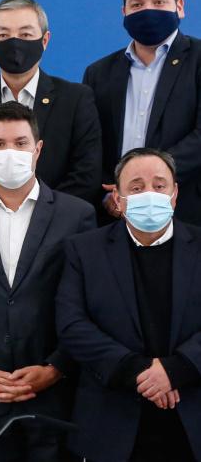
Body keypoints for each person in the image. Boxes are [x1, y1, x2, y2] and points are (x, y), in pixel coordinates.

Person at [0, 102, 95, 461]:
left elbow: (88, 303)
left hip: (56, 398)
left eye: (21, 143)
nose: (10, 152)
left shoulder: (77, 215)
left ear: (38, 149)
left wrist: (56, 368)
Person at [57, 148, 201, 461]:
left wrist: (178, 369)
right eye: (136, 188)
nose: (150, 193)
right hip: (111, 420)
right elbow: (72, 325)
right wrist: (140, 371)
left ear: (175, 194)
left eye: (160, 186)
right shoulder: (84, 250)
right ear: (118, 200)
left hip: (191, 416)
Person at [0, 0, 101, 206]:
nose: (14, 43)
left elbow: (86, 175)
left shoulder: (76, 99)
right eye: (3, 34)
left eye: (25, 34)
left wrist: (44, 216)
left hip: (59, 228)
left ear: (44, 40)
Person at [86, 0, 201, 226]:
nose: (148, 11)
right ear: (124, 11)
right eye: (137, 5)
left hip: (188, 213)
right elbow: (91, 144)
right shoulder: (98, 73)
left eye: (159, 2)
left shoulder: (197, 60)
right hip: (115, 214)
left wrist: (151, 183)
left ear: (179, 6)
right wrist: (110, 196)